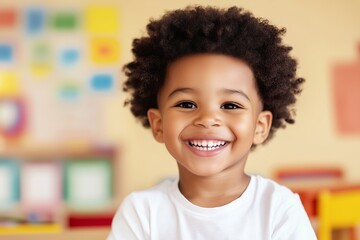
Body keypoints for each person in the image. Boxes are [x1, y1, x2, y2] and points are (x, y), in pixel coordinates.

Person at [107, 5, 317, 240]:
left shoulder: (278, 208)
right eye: (186, 104)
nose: (207, 119)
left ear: (260, 126)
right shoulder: (141, 213)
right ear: (158, 124)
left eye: (230, 105)